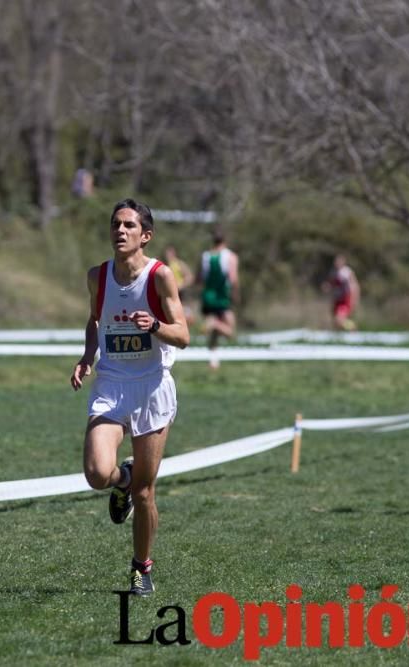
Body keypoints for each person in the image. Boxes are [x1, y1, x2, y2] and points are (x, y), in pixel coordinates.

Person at [70, 198, 190, 596]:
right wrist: (88, 355)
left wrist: (154, 324)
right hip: (111, 382)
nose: (120, 231)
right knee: (96, 474)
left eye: (128, 226)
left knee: (145, 491)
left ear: (146, 236)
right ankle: (119, 481)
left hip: (152, 386)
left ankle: (141, 567)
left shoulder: (160, 277)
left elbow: (184, 336)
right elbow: (94, 319)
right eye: (115, 224)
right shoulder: (97, 277)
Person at [198, 226, 239, 369]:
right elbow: (233, 279)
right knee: (230, 332)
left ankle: (213, 362)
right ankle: (214, 324)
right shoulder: (231, 256)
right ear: (225, 240)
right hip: (222, 297)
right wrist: (235, 294)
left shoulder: (206, 256)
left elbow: (201, 279)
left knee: (214, 335)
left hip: (208, 297)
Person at [322, 254, 360, 331]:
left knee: (339, 319)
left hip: (345, 299)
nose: (337, 263)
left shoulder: (347, 272)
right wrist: (327, 286)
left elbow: (355, 286)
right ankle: (346, 334)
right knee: (336, 322)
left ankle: (353, 327)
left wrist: (354, 299)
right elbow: (332, 284)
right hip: (337, 299)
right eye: (336, 261)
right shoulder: (334, 272)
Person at [162, 245, 195, 328]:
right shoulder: (163, 265)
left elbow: (189, 277)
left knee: (182, 313)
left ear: (174, 254)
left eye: (169, 253)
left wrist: (181, 285)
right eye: (166, 253)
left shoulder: (179, 264)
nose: (168, 255)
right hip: (166, 294)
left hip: (179, 294)